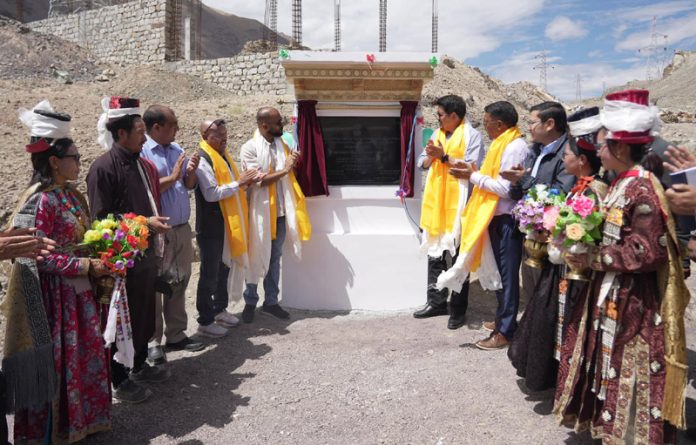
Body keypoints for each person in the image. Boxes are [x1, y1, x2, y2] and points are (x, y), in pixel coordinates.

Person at [555, 90, 689, 443]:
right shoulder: (622, 183)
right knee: (611, 366)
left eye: (602, 145)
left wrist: (592, 257)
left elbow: (646, 252)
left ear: (620, 148)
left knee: (632, 370)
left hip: (634, 300)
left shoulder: (641, 187)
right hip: (614, 291)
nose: (596, 152)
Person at [3, 101, 111, 443]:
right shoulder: (40, 202)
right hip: (55, 305)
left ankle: (82, 424)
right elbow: (35, 257)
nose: (79, 162)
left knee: (84, 361)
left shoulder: (69, 196)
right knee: (61, 365)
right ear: (54, 161)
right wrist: (85, 265)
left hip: (79, 299)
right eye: (75, 157)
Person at [509, 107, 607, 391]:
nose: (564, 157)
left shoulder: (592, 192)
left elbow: (560, 201)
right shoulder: (581, 186)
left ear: (582, 160)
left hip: (574, 267)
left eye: (569, 154)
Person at [87, 96, 171, 403]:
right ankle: (119, 378)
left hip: (146, 257)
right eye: (138, 130)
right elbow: (101, 221)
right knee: (122, 320)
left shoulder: (144, 164)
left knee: (145, 316)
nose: (144, 135)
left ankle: (138, 365)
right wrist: (143, 222)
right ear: (120, 134)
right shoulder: (102, 169)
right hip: (121, 265)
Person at [439, 100, 528, 349]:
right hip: (495, 218)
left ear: (499, 124)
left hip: (507, 220)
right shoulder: (502, 143)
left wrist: (473, 176)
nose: (485, 126)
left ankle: (506, 331)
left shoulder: (514, 147)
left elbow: (507, 190)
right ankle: (503, 320)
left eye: (487, 122)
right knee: (500, 274)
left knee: (508, 278)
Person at [498, 102, 575, 335]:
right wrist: (514, 182)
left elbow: (560, 194)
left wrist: (523, 180)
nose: (529, 127)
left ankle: (546, 345)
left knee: (548, 296)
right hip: (530, 234)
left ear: (550, 124)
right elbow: (520, 191)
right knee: (531, 290)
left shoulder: (567, 154)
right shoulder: (535, 151)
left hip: (552, 238)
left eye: (532, 122)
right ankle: (532, 342)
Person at [413, 94, 484, 329]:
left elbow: (472, 166)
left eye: (441, 115)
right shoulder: (437, 134)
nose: (438, 118)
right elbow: (422, 161)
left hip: (459, 207)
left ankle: (458, 309)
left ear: (454, 116)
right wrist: (431, 157)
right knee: (435, 254)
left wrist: (443, 156)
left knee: (457, 257)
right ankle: (436, 302)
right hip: (436, 204)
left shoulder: (472, 136)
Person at [141, 105, 204, 363]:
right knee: (156, 286)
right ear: (156, 127)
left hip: (181, 228)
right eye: (173, 125)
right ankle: (153, 341)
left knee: (180, 281)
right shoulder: (143, 152)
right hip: (159, 232)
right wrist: (175, 175)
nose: (177, 129)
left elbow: (187, 185)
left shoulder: (176, 149)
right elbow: (146, 188)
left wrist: (189, 175)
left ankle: (176, 334)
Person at [240, 107, 312, 323]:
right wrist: (286, 168)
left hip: (280, 211)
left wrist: (293, 164)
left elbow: (288, 177)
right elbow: (259, 181)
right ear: (264, 125)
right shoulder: (249, 148)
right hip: (259, 213)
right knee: (255, 255)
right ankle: (250, 301)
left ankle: (271, 302)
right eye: (278, 122)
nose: (283, 124)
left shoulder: (283, 145)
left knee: (274, 258)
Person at [194, 118, 260, 337]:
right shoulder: (203, 159)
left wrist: (244, 183)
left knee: (225, 268)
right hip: (211, 227)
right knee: (209, 274)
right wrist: (239, 183)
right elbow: (211, 193)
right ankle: (205, 320)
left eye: (225, 135)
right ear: (205, 137)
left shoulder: (224, 157)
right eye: (218, 136)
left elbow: (231, 187)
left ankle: (219, 309)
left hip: (227, 224)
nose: (224, 140)